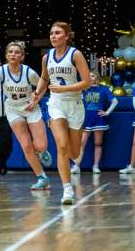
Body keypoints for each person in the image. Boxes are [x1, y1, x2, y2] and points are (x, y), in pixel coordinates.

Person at [32, 22, 91, 205]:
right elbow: (44, 78)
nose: (53, 36)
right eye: (51, 33)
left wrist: (64, 89)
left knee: (73, 152)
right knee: (62, 146)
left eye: (58, 33)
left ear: (67, 36)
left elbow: (87, 82)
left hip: (75, 104)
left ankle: (70, 163)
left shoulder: (76, 54)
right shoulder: (46, 57)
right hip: (56, 104)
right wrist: (36, 95)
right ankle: (67, 190)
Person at [0, 42, 53, 190]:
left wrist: (36, 99)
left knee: (40, 145)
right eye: (10, 52)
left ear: (22, 56)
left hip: (30, 107)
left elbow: (43, 85)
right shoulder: (1, 71)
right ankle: (42, 178)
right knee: (26, 146)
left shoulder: (29, 72)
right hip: (13, 109)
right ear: (7, 56)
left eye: (16, 52)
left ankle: (42, 151)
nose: (13, 54)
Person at [71, 71, 118, 174]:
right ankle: (76, 166)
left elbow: (115, 101)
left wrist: (107, 112)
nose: (90, 77)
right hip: (86, 118)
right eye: (88, 75)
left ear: (97, 78)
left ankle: (96, 166)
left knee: (98, 143)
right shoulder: (83, 89)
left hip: (98, 119)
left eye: (92, 75)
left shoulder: (104, 89)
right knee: (82, 143)